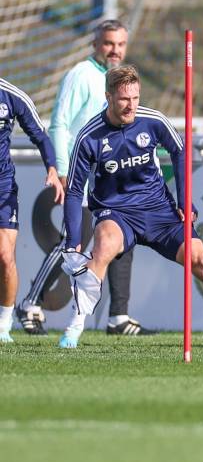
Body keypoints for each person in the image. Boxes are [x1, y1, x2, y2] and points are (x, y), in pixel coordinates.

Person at [58, 65, 203, 349]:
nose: (131, 106)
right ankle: (74, 328)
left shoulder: (153, 121)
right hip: (116, 212)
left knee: (202, 262)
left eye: (135, 98)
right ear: (108, 97)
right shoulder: (89, 136)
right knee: (103, 247)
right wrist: (73, 241)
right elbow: (74, 190)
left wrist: (184, 199)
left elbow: (180, 150)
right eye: (124, 99)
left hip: (159, 210)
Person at [16, 19, 151, 336]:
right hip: (82, 178)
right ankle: (30, 303)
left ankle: (118, 317)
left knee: (123, 241)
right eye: (108, 43)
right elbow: (60, 124)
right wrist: (63, 170)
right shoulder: (81, 75)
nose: (115, 50)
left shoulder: (120, 81)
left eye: (120, 44)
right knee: (72, 243)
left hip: (112, 180)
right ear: (95, 44)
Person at [0, 78, 64, 343]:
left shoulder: (11, 95)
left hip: (2, 188)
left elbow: (40, 135)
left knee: (5, 256)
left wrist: (52, 168)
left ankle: (3, 324)